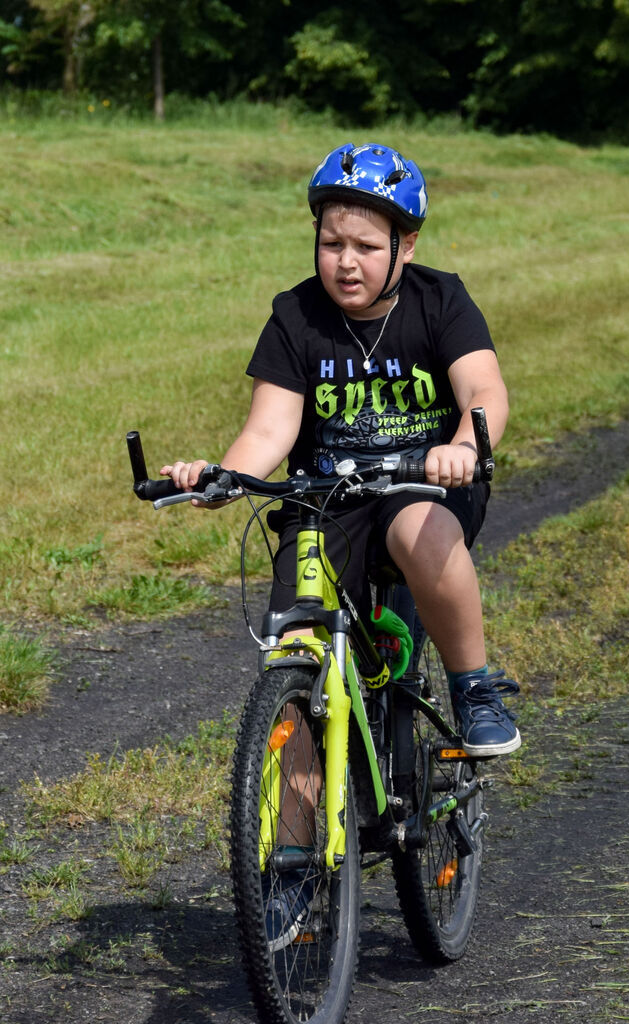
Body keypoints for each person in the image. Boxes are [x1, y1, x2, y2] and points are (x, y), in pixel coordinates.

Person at [162, 141, 521, 941]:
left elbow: (482, 388)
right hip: (322, 503)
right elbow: (270, 428)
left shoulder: (439, 301)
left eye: (365, 246)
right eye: (331, 244)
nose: (346, 262)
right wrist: (222, 476)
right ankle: (291, 868)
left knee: (418, 531)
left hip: (423, 488)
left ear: (406, 245)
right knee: (297, 661)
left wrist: (464, 440)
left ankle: (474, 689)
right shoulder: (295, 316)